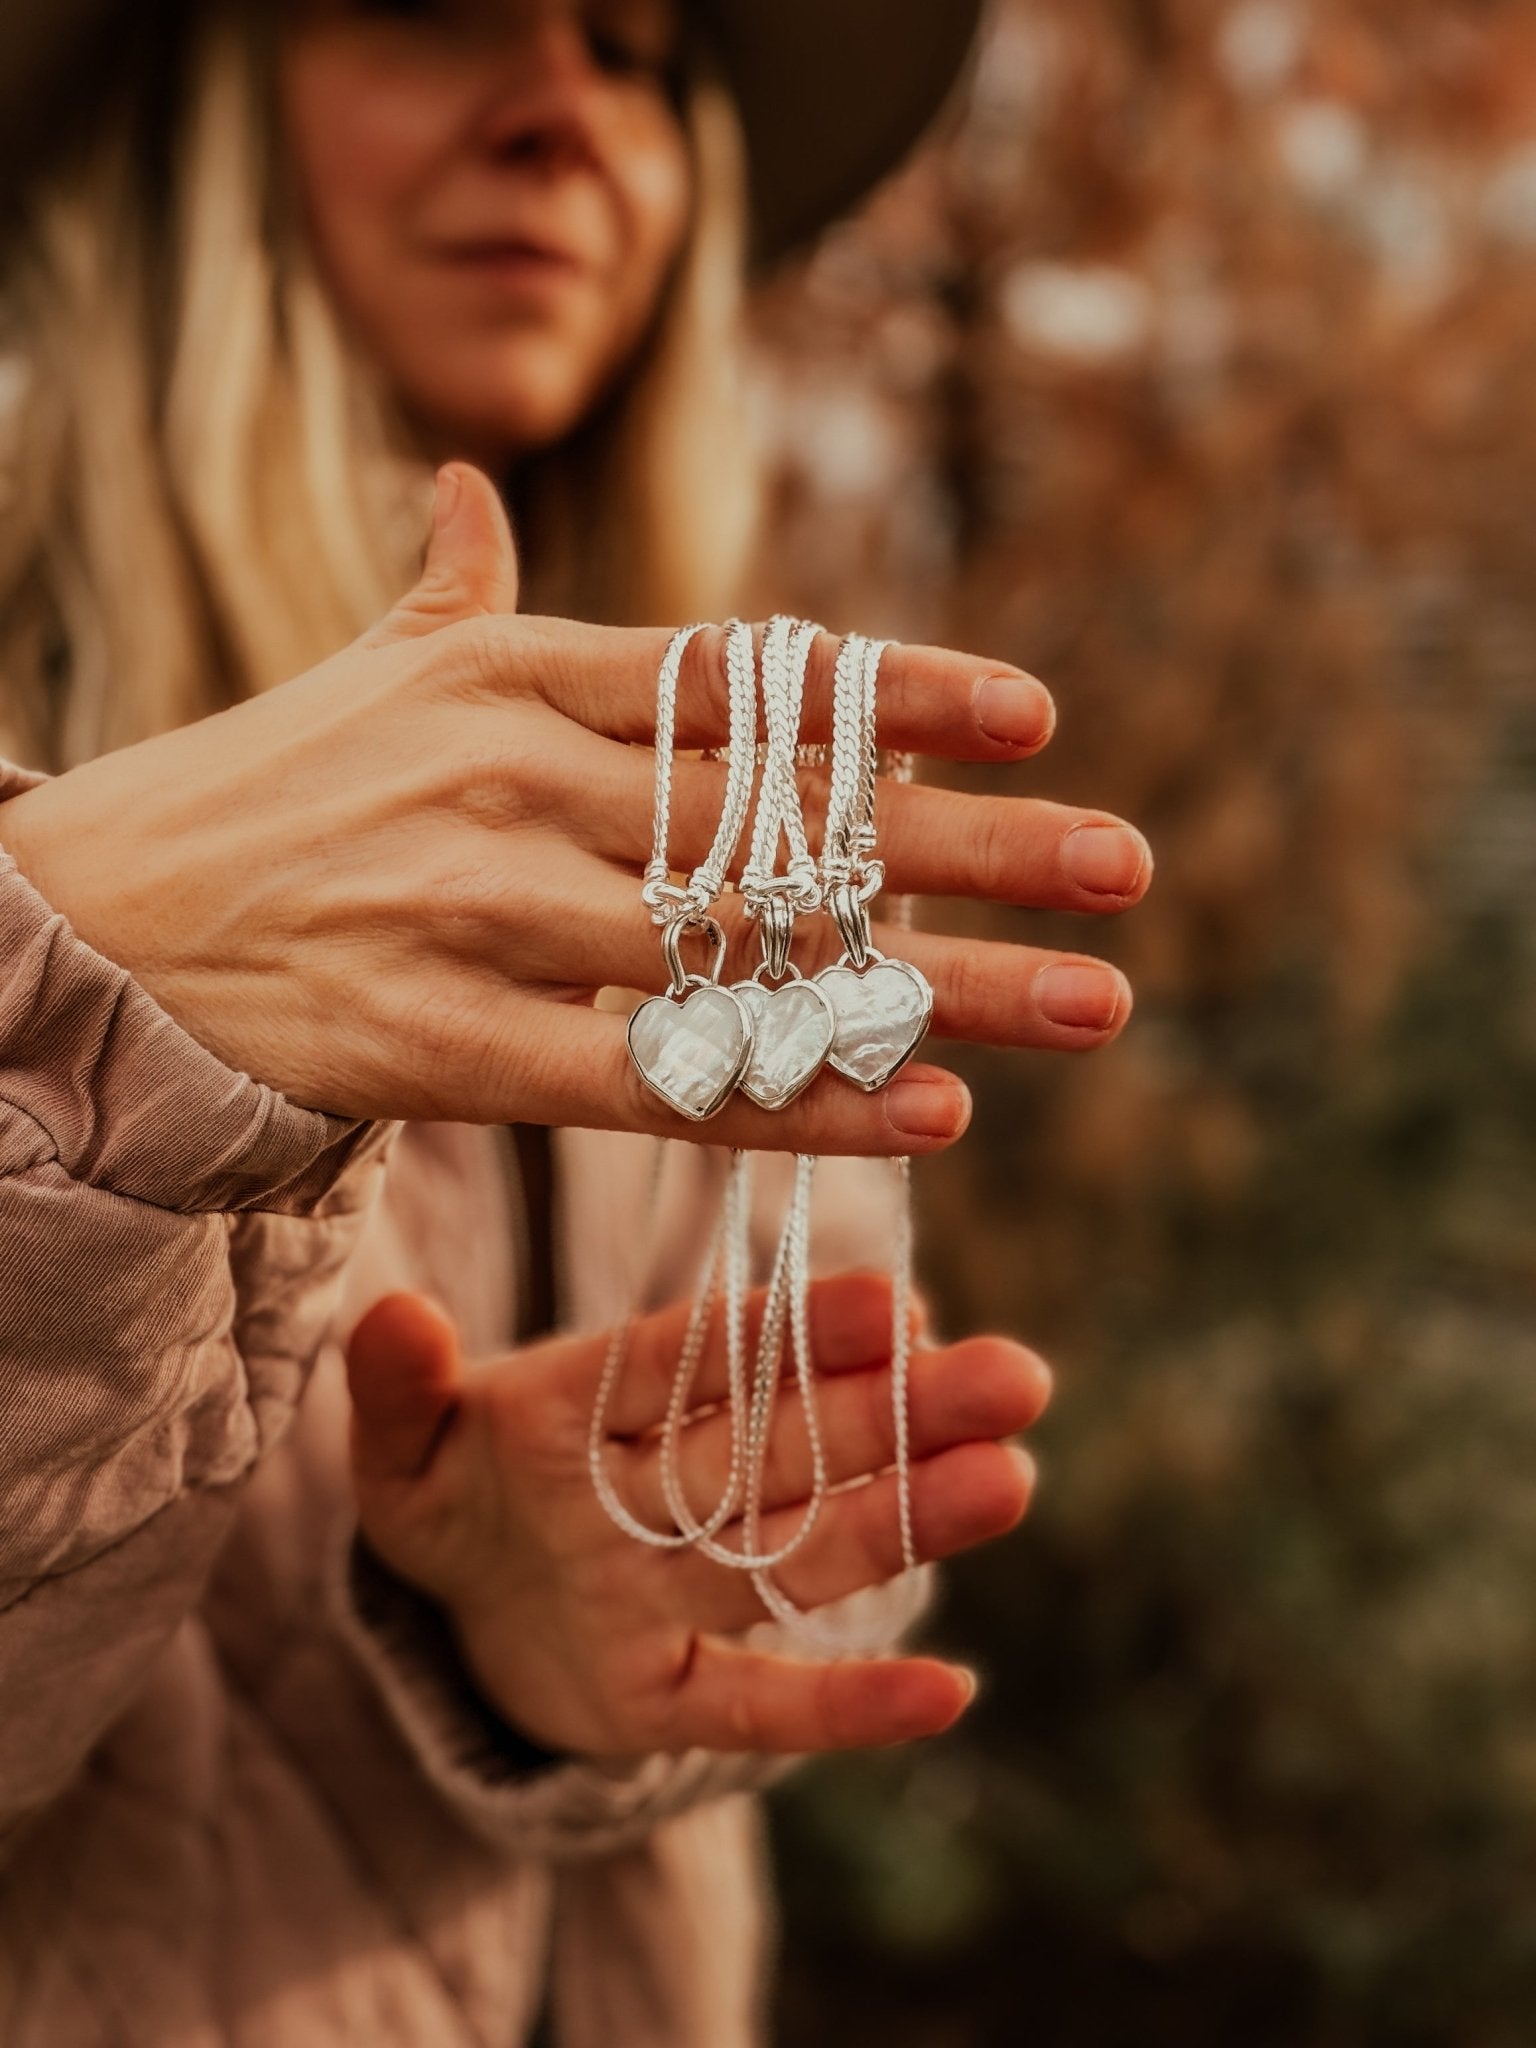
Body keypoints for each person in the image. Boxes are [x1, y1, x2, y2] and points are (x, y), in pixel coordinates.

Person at [0, 1, 1152, 2041]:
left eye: (635, 48)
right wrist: (80, 1020)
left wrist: (552, 1636)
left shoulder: (739, 805)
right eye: (439, 11)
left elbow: (813, 1468)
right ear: (185, 99)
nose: (559, 115)